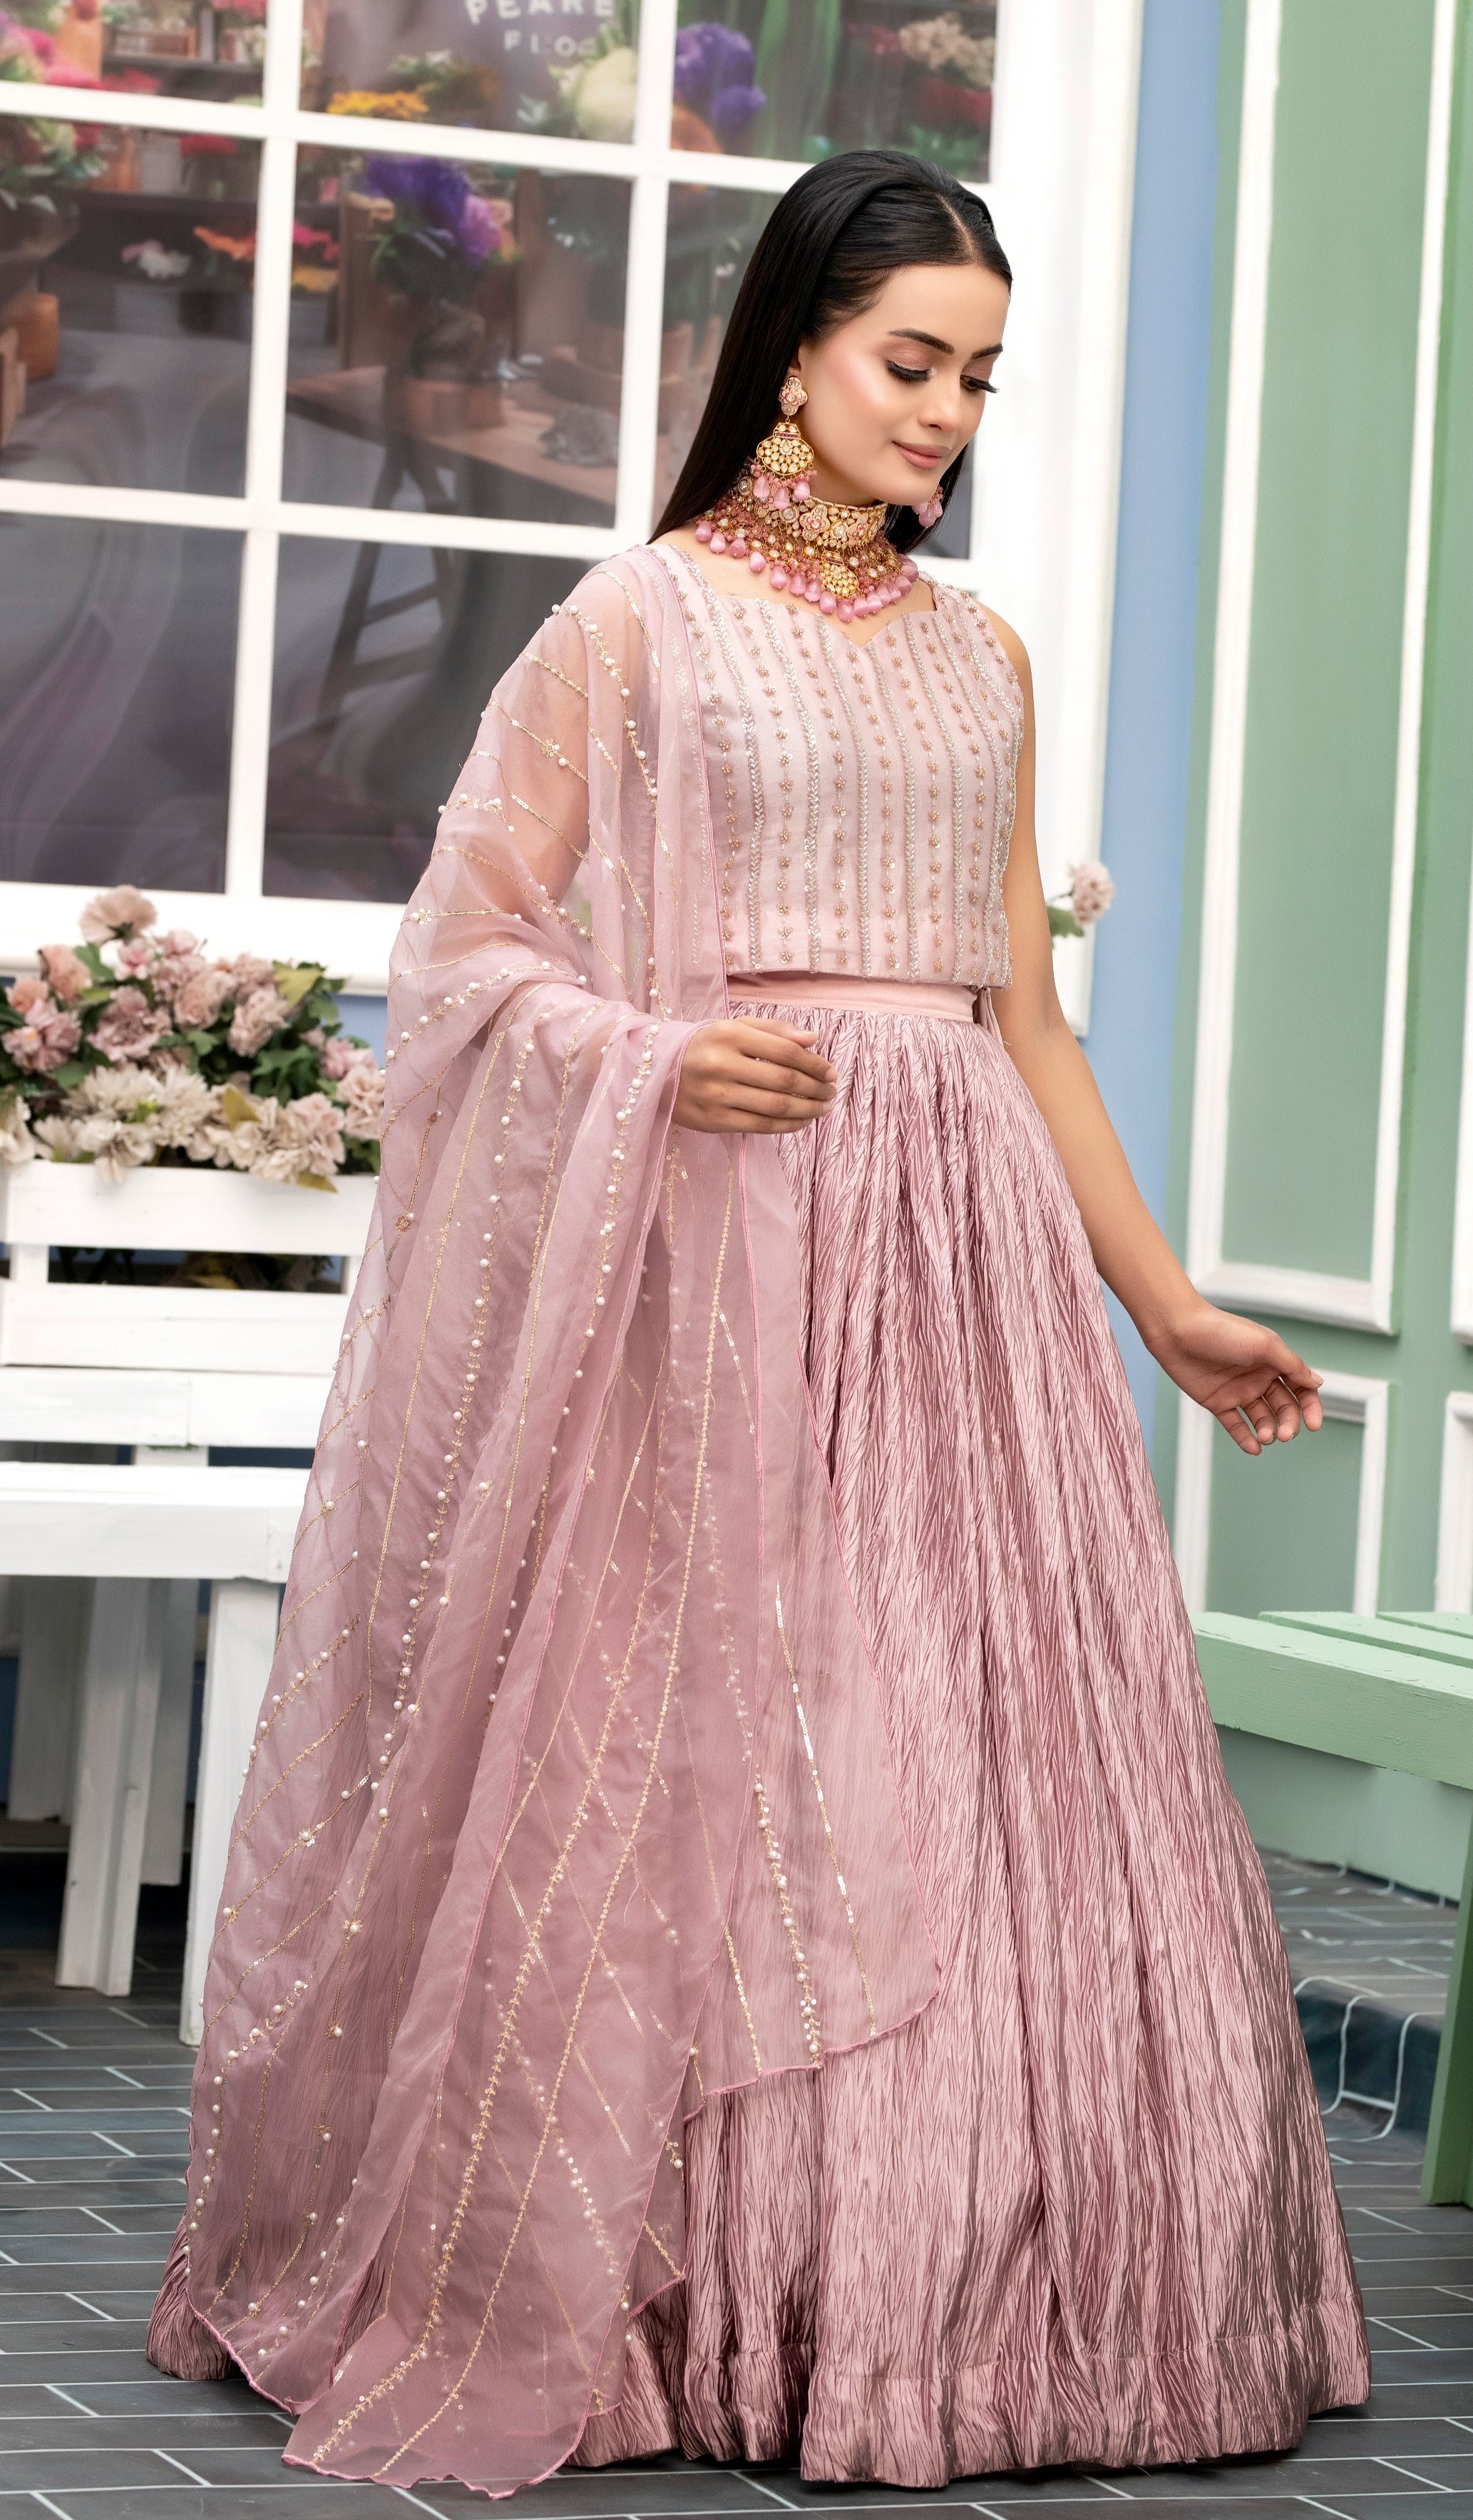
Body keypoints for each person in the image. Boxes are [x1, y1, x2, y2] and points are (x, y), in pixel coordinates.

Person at [148, 152, 1369, 2497]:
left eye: (981, 378)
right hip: (718, 1256)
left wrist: (1171, 1298)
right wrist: (646, 1055)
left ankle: (951, 2287)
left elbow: (1023, 1018)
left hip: (965, 1271)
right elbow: (466, 954)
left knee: (954, 1738)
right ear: (793, 346)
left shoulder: (980, 653)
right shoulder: (633, 623)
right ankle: (687, 2280)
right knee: (723, 1737)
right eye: (911, 362)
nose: (946, 414)